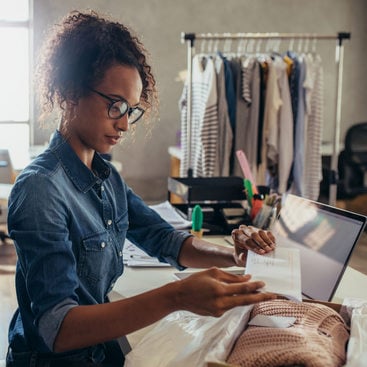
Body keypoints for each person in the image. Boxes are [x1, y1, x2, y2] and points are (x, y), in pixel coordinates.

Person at [6, 10, 276, 367]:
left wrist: (235, 256)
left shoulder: (106, 177)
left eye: (130, 110)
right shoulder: (41, 190)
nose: (124, 125)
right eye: (114, 105)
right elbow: (58, 329)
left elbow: (163, 239)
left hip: (98, 353)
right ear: (70, 93)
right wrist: (176, 295)